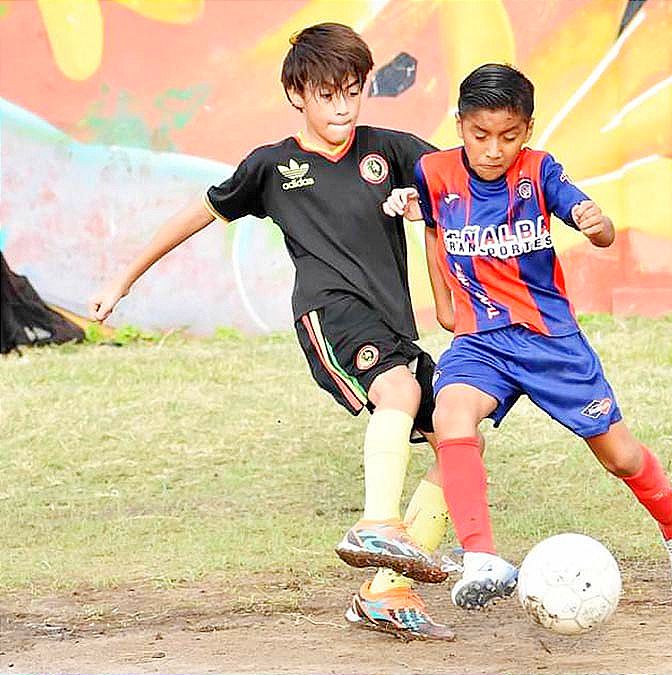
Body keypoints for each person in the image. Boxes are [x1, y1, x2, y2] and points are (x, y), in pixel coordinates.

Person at [89, 23, 456, 641]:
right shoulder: (271, 166)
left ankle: (387, 591)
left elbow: (463, 183)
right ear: (296, 94)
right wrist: (124, 278)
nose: (341, 107)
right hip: (327, 313)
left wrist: (431, 210)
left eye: (351, 92)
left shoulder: (391, 150)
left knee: (458, 432)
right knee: (399, 392)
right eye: (326, 94)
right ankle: (376, 523)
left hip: (393, 324)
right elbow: (195, 216)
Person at [382, 63, 672, 610]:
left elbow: (599, 229)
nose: (493, 149)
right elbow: (435, 230)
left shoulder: (539, 173)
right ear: (459, 124)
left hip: (549, 341)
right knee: (450, 415)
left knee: (620, 457)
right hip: (482, 342)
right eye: (480, 135)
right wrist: (445, 306)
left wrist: (594, 222)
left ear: (527, 130)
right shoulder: (432, 172)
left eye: (508, 137)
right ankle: (481, 556)